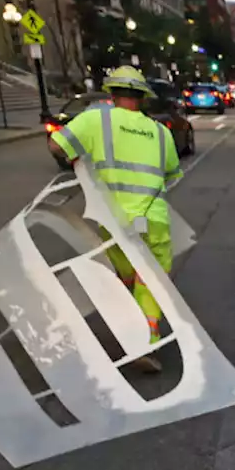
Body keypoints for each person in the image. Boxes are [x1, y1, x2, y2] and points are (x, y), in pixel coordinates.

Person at [47, 65, 183, 374]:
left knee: (126, 278)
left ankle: (128, 330)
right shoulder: (161, 132)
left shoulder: (96, 119)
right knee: (150, 281)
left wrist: (79, 157)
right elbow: (173, 173)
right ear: (142, 98)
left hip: (114, 221)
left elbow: (56, 145)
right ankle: (145, 339)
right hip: (152, 219)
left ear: (112, 93)